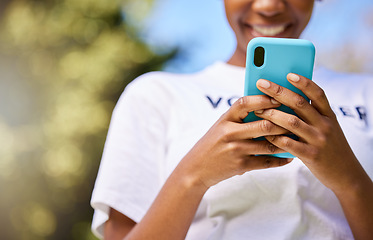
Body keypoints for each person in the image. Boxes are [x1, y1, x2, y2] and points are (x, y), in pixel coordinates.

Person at [90, 0, 373, 239]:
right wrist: (193, 176)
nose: (269, 5)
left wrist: (350, 180)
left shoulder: (366, 94)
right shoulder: (155, 95)